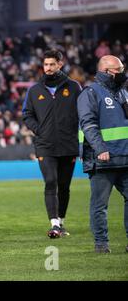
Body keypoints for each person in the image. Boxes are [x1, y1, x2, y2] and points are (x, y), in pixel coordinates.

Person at [22, 50, 82, 238]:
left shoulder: (73, 87)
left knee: (64, 186)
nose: (48, 68)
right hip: (45, 145)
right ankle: (54, 224)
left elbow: (83, 112)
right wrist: (39, 130)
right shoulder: (34, 90)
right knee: (50, 182)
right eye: (45, 64)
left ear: (60, 65)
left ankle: (61, 222)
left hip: (68, 144)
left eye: (52, 64)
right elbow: (27, 114)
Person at [77, 55, 128, 253]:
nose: (123, 72)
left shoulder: (123, 93)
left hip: (124, 156)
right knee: (100, 205)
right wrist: (101, 149)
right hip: (103, 159)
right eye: (120, 69)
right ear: (108, 71)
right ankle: (101, 244)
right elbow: (88, 124)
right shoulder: (90, 93)